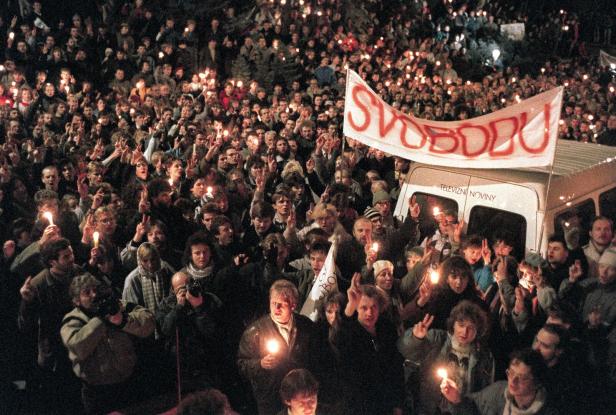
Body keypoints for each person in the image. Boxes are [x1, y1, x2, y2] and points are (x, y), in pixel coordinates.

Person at [61, 273, 155, 414]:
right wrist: (101, 320)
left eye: (96, 290)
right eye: (87, 293)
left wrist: (123, 321)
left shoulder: (115, 305)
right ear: (77, 301)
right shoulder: (73, 320)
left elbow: (148, 322)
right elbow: (77, 347)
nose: (94, 295)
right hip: (98, 391)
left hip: (129, 382)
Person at [17, 237, 83, 413]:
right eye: (66, 257)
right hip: (55, 352)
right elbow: (24, 325)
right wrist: (27, 302)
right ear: (53, 262)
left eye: (72, 254)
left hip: (78, 345)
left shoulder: (76, 272)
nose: (72, 259)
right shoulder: (38, 285)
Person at [398, 300, 494, 415]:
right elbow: (404, 348)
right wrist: (416, 338)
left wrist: (459, 400)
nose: (465, 332)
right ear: (453, 324)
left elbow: (485, 395)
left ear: (477, 331)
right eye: (461, 325)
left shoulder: (484, 356)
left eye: (471, 328)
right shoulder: (437, 339)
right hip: (430, 409)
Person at [237, 279, 316, 415]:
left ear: (293, 305)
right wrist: (260, 364)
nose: (276, 309)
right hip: (270, 399)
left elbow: (319, 358)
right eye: (273, 303)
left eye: (281, 304)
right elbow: (241, 364)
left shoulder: (306, 326)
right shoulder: (255, 331)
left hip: (300, 398)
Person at [335, 273, 404, 415]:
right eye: (363, 308)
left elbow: (395, 369)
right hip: (359, 405)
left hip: (386, 402)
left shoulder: (387, 329)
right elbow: (338, 338)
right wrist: (350, 306)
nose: (369, 313)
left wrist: (398, 404)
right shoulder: (350, 331)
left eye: (374, 307)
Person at [156, 271, 224, 393]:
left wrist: (199, 308)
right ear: (173, 290)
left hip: (207, 360)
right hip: (181, 363)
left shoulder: (208, 299)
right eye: (181, 288)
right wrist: (179, 307)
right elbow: (166, 330)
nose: (186, 290)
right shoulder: (166, 305)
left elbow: (212, 332)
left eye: (188, 285)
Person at [440, 349, 559, 415]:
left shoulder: (548, 410)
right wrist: (456, 399)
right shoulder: (498, 392)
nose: (513, 381)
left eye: (522, 377)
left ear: (537, 382)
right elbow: (472, 406)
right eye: (511, 373)